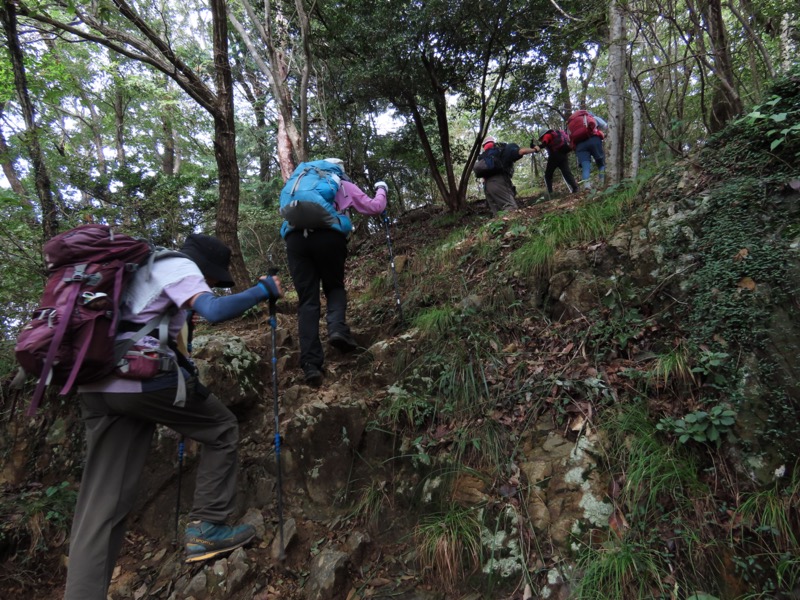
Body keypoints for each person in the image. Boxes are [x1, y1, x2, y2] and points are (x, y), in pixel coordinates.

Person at [64, 233, 284, 600]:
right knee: (221, 427)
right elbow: (213, 311)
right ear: (204, 266)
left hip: (94, 384)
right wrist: (263, 290)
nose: (212, 284)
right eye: (215, 277)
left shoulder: (135, 275)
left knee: (101, 504)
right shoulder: (179, 265)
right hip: (137, 379)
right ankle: (208, 527)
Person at [282, 158, 387, 387]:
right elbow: (374, 207)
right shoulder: (339, 183)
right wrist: (381, 189)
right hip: (329, 238)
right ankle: (337, 330)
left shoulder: (299, 183)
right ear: (339, 170)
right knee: (334, 287)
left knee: (307, 301)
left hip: (295, 240)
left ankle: (310, 365)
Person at [478, 136, 537, 215]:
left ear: (483, 145)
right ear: (494, 143)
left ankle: (500, 226)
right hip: (499, 181)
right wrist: (535, 149)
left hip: (486, 186)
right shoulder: (502, 151)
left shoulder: (483, 157)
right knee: (511, 209)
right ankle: (514, 226)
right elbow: (522, 151)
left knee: (497, 213)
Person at [569, 111, 609, 191]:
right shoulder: (592, 118)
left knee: (585, 167)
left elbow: (569, 138)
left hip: (579, 145)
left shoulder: (571, 125)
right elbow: (606, 126)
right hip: (593, 140)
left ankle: (587, 187)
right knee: (601, 163)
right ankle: (602, 184)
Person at [532, 129, 579, 197]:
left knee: (548, 175)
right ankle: (575, 188)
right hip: (563, 154)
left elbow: (544, 143)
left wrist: (537, 147)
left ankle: (550, 193)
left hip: (555, 155)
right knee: (566, 172)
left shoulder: (547, 135)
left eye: (541, 139)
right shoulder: (556, 134)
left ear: (542, 135)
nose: (541, 140)